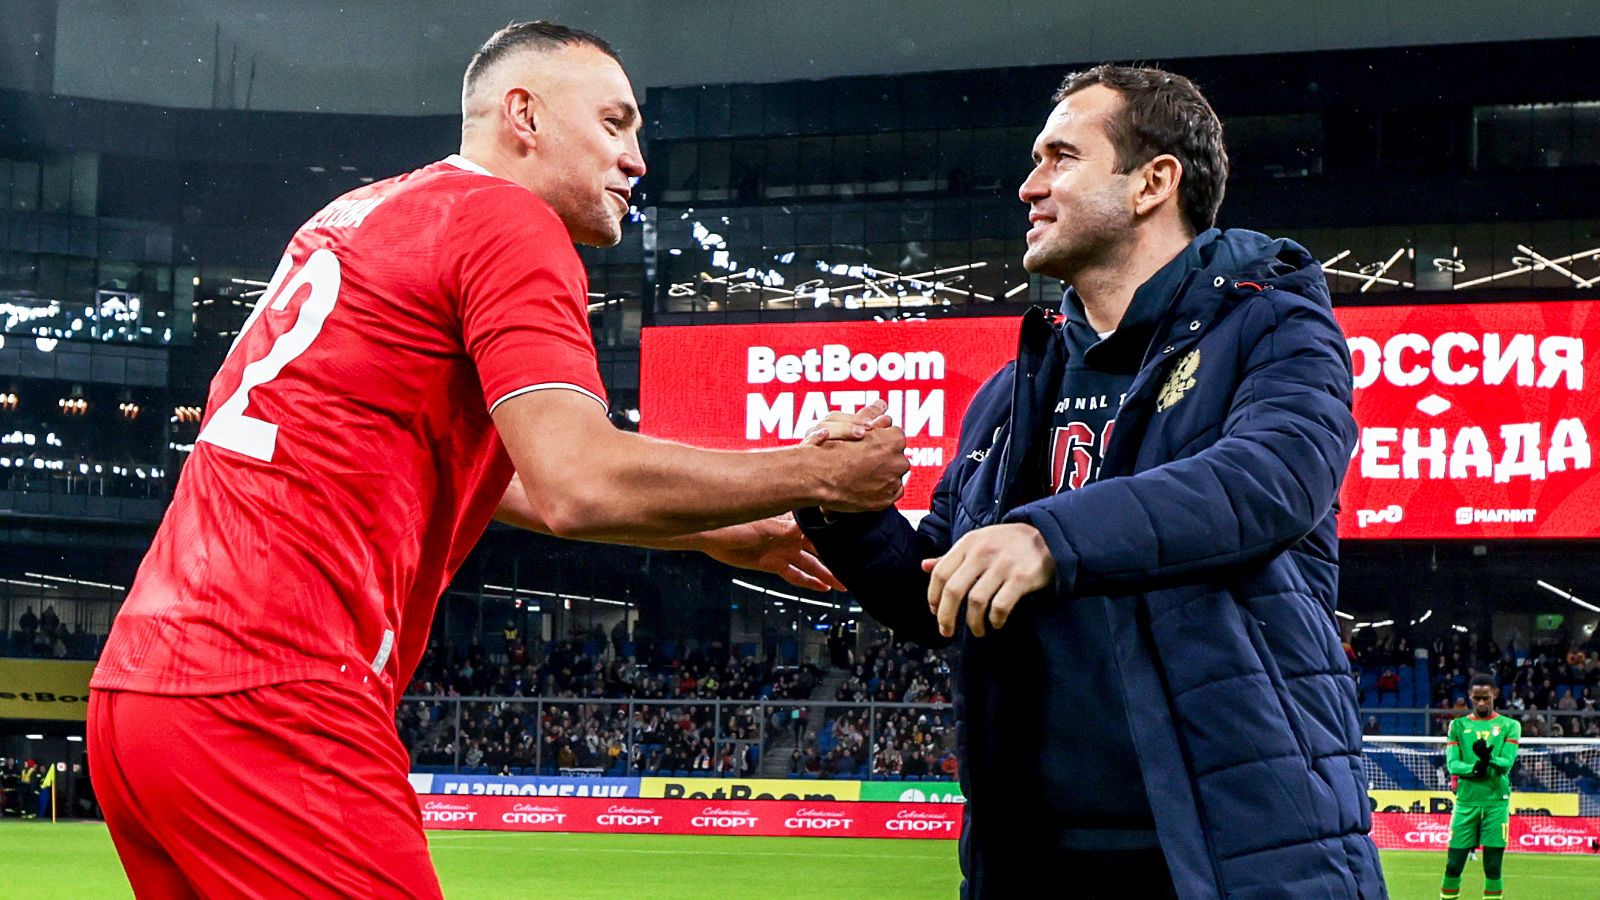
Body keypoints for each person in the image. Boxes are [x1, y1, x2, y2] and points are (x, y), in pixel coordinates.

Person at [86, 21, 907, 899]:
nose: (636, 159)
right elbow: (577, 483)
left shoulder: (362, 214)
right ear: (525, 115)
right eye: (614, 123)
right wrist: (816, 473)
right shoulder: (509, 221)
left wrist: (709, 529)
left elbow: (486, 470)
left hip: (141, 695)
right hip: (275, 692)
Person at [801, 65, 1381, 897]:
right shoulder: (1010, 393)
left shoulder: (1274, 324)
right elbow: (943, 593)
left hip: (1238, 851)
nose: (1029, 186)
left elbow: (1269, 479)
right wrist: (844, 508)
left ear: (1153, 182)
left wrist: (1048, 537)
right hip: (1034, 858)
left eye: (1061, 158)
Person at [1440, 674, 1520, 900]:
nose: (1481, 702)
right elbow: (1453, 764)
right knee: (1453, 865)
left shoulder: (1510, 725)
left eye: (1486, 697)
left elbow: (1506, 763)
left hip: (1496, 803)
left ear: (1495, 694)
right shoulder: (1457, 725)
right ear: (1469, 696)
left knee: (1493, 867)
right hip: (1466, 802)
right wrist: (1476, 767)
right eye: (1477, 698)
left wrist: (1488, 758)